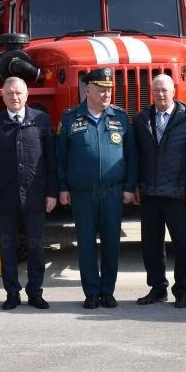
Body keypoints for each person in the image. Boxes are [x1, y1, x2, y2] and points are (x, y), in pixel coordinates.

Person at [56, 67, 138, 309]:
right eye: (101, 90)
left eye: (109, 90)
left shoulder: (120, 117)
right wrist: (63, 188)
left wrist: (130, 187)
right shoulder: (70, 118)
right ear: (88, 89)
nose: (106, 94)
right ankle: (91, 292)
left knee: (112, 243)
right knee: (86, 244)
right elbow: (60, 158)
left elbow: (132, 155)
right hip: (82, 193)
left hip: (112, 191)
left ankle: (108, 291)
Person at [0, 77, 57, 310]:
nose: (14, 97)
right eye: (10, 93)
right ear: (2, 97)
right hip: (5, 197)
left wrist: (52, 193)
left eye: (19, 93)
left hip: (35, 196)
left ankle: (35, 292)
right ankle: (12, 293)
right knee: (8, 247)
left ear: (27, 95)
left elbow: (51, 161)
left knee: (36, 247)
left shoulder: (41, 121)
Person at [132, 74, 186, 309]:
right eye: (156, 91)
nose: (160, 95)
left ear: (173, 91)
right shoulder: (142, 119)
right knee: (151, 244)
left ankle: (182, 291)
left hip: (179, 192)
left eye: (165, 90)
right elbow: (135, 155)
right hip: (150, 193)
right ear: (151, 93)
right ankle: (157, 288)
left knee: (182, 245)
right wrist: (134, 185)